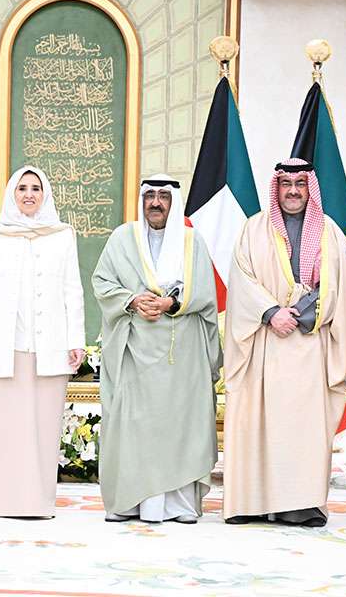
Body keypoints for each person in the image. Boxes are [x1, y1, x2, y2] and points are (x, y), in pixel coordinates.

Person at [223, 158, 346, 527]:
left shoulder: (330, 232)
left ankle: (301, 504)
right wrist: (272, 312)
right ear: (276, 188)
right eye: (285, 184)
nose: (292, 191)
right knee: (257, 425)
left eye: (300, 184)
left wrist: (301, 314)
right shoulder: (253, 230)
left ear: (309, 188)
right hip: (263, 343)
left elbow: (339, 285)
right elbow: (241, 279)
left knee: (303, 430)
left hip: (310, 343)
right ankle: (252, 502)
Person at [92, 174, 221, 524]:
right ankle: (130, 501)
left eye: (164, 196)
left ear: (173, 202)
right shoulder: (123, 238)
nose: (156, 203)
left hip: (183, 352)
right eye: (150, 196)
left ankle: (179, 505)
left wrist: (171, 303)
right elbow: (102, 281)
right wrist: (132, 299)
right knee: (135, 425)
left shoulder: (192, 241)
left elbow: (206, 292)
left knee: (180, 425)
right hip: (136, 348)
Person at [0, 166, 85, 518]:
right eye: (22, 188)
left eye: (35, 188)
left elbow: (73, 291)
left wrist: (75, 340)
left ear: (45, 194)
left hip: (49, 347)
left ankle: (37, 503)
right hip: (3, 348)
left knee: (43, 429)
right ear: (12, 194)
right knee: (2, 430)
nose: (29, 194)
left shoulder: (62, 235)